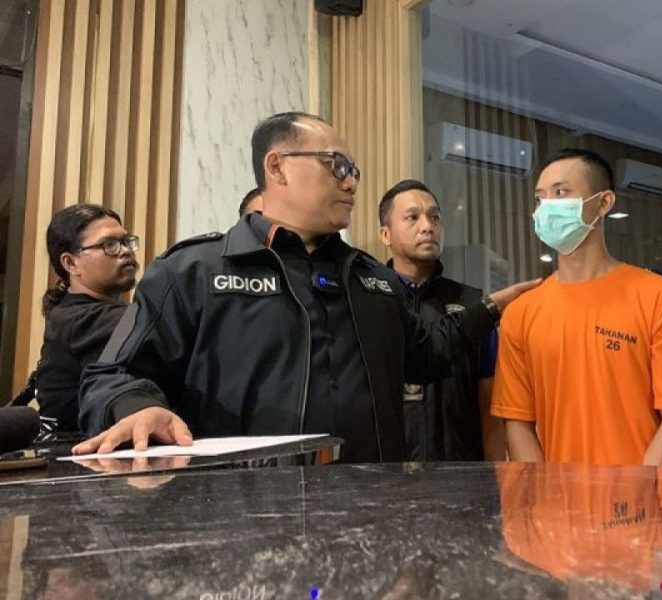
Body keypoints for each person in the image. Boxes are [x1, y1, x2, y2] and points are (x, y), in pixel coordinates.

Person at [73, 112, 538, 462]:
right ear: (277, 167)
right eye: (337, 165)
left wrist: (488, 309)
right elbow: (110, 375)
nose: (351, 182)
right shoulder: (193, 271)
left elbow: (426, 354)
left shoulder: (371, 279)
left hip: (370, 516)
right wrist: (136, 407)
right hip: (242, 522)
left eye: (353, 170)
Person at [491, 148, 662, 466]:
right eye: (540, 198)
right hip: (557, 493)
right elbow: (517, 422)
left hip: (645, 490)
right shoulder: (521, 312)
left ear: (604, 202)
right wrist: (544, 490)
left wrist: (641, 489)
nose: (547, 207)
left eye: (561, 192)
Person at [378, 179, 505, 461]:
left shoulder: (474, 306)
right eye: (412, 217)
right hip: (388, 474)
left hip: (461, 471)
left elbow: (490, 407)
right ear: (386, 234)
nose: (427, 227)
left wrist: (496, 476)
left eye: (435, 217)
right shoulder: (371, 302)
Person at [34, 204, 139, 432]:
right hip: (79, 451)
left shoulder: (70, 313)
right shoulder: (83, 319)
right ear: (71, 263)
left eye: (126, 241)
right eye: (109, 244)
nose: (125, 251)